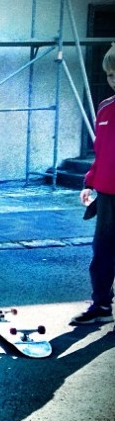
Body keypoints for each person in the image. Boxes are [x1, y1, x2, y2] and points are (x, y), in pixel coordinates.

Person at [71, 42, 115, 325]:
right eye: (111, 75)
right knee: (102, 252)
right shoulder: (105, 109)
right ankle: (101, 305)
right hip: (108, 194)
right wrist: (89, 182)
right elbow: (101, 153)